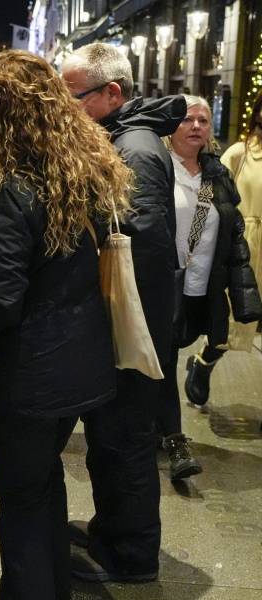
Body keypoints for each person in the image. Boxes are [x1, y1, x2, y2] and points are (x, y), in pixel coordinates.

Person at [0, 50, 132, 600]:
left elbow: (1, 297)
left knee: (22, 501)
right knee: (43, 486)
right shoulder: (79, 174)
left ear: (0, 113)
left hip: (28, 377)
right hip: (77, 367)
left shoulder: (9, 190)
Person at [61, 42, 186, 582]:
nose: (67, 110)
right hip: (128, 324)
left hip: (134, 328)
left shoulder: (132, 148)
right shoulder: (124, 137)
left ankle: (129, 558)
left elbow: (143, 246)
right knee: (113, 439)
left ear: (112, 93)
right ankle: (111, 533)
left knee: (124, 442)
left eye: (74, 98)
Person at [156, 95, 262, 481]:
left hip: (203, 286)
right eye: (187, 119)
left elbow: (233, 238)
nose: (196, 126)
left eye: (203, 120)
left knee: (206, 342)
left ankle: (157, 419)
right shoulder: (157, 167)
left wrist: (245, 295)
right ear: (171, 126)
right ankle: (174, 439)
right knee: (164, 359)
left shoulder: (215, 174)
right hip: (162, 285)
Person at [205, 91, 262, 402]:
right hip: (245, 245)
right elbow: (212, 192)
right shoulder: (240, 153)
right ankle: (204, 362)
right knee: (235, 319)